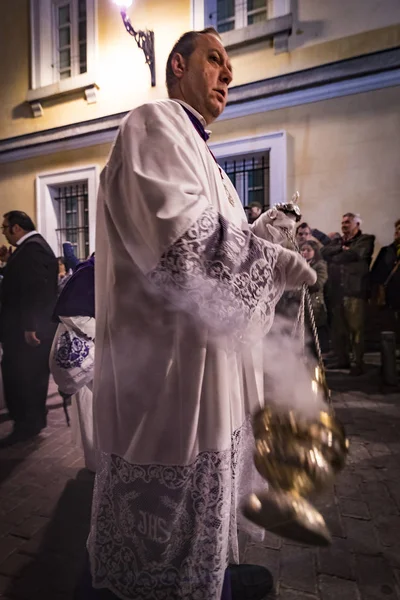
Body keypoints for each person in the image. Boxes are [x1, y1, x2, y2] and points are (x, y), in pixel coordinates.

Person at [80, 28, 316, 600]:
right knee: (161, 552)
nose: (229, 74)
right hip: (166, 380)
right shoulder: (153, 124)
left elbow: (223, 242)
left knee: (206, 541)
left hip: (209, 372)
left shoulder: (203, 155)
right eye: (216, 60)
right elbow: (185, 247)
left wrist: (264, 235)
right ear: (178, 65)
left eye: (230, 64)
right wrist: (272, 262)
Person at [0, 211, 58, 445]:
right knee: (26, 375)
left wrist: (31, 325)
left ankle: (27, 425)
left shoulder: (32, 249)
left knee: (23, 376)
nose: (3, 233)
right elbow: (22, 281)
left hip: (26, 329)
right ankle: (31, 420)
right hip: (25, 326)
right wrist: (7, 264)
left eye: (4, 228)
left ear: (16, 228)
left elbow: (37, 289)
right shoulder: (32, 247)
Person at [51, 254, 96, 472]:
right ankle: (97, 461)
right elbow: (71, 313)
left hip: (110, 352)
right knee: (92, 408)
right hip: (94, 353)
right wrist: (108, 333)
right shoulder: (88, 272)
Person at [322, 213, 375, 375]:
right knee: (339, 329)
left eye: (348, 222)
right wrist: (340, 248)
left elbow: (355, 254)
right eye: (343, 222)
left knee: (356, 329)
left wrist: (339, 254)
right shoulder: (338, 241)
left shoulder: (366, 239)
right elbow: (324, 252)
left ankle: (358, 363)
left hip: (355, 291)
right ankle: (342, 360)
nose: (344, 225)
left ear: (357, 224)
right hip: (336, 292)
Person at [370, 219, 400, 343]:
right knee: (391, 328)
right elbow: (376, 273)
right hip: (390, 298)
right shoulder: (386, 251)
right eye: (397, 229)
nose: (398, 232)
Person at [300, 240, 329, 353]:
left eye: (308, 250)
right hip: (300, 306)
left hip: (314, 306)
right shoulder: (299, 264)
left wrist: (306, 272)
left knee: (314, 339)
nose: (305, 252)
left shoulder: (320, 265)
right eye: (303, 250)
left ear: (315, 252)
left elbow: (317, 284)